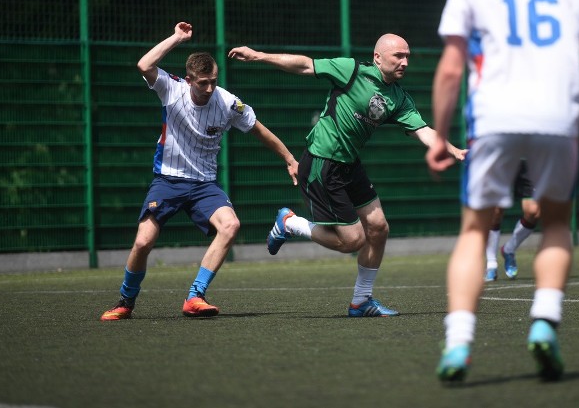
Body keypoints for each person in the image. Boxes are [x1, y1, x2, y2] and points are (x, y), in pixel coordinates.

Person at [425, 0, 579, 382]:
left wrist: (441, 135)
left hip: (493, 120)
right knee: (553, 224)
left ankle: (459, 343)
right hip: (558, 122)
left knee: (472, 231)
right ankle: (545, 323)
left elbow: (450, 72)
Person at [228, 34, 466, 317]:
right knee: (353, 241)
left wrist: (452, 149)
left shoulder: (399, 97)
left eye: (407, 56)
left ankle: (360, 301)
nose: (405, 62)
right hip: (322, 163)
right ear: (378, 57)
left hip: (349, 164)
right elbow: (305, 65)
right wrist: (258, 55)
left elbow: (423, 130)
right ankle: (290, 223)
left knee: (378, 228)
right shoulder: (352, 70)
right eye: (398, 56)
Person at [100, 22, 299, 321]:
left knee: (231, 226)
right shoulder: (172, 89)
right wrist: (177, 38)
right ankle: (125, 302)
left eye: (213, 81)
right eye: (203, 82)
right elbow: (144, 64)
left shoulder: (228, 102)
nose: (209, 88)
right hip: (167, 180)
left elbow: (259, 131)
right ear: (190, 79)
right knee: (142, 242)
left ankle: (195, 296)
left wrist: (289, 158)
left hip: (204, 186)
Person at [485, 159, 540, 282]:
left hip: (527, 160)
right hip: (503, 158)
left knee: (534, 211)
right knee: (496, 210)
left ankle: (509, 249)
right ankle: (491, 264)